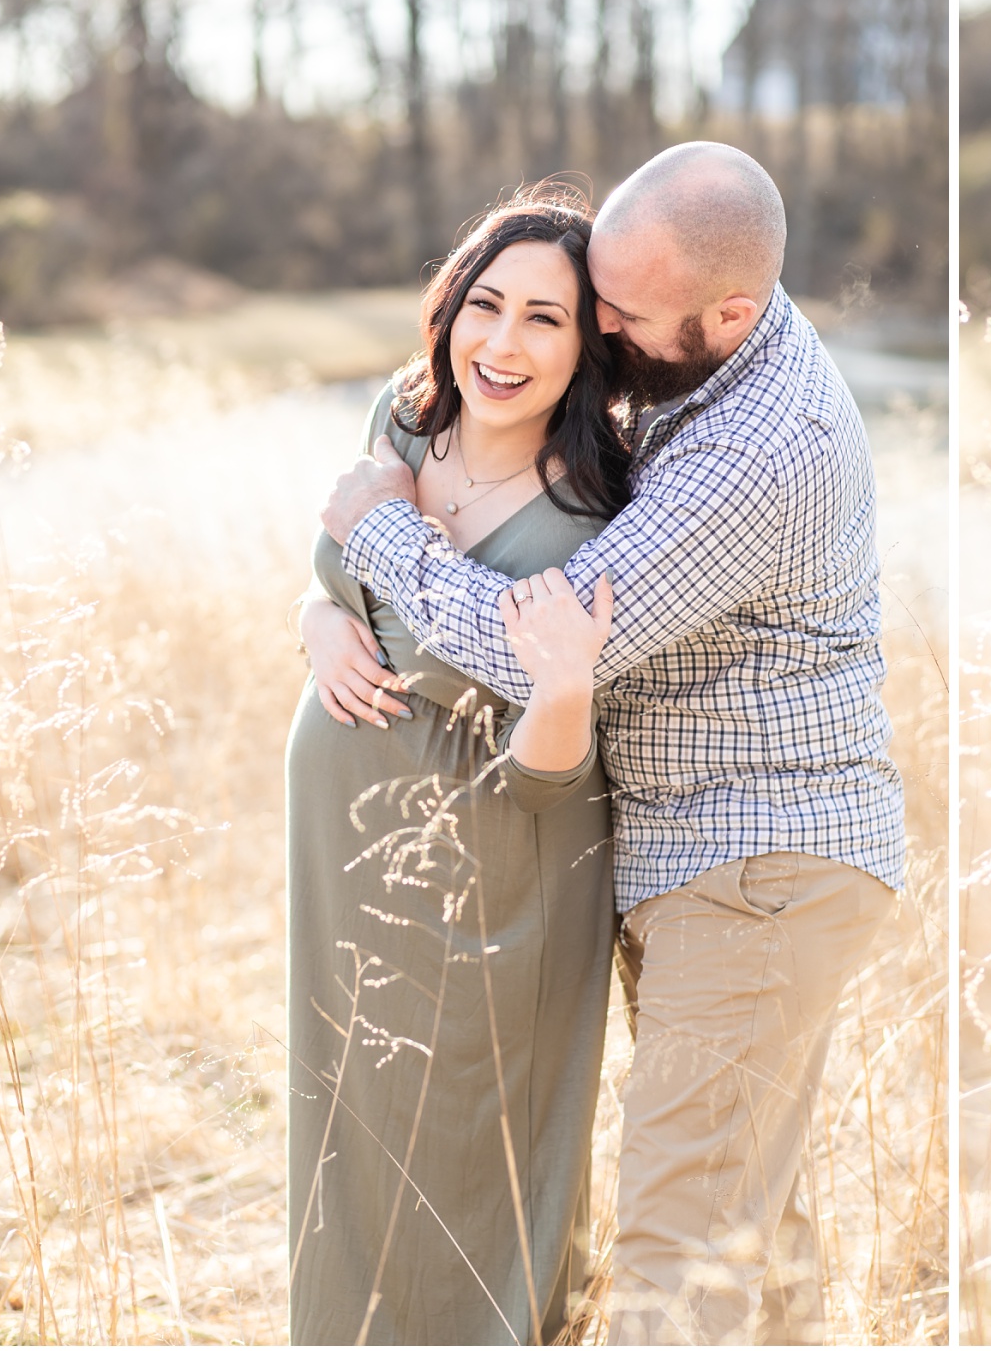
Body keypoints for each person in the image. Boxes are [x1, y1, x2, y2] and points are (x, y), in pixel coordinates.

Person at [319, 141, 906, 1346]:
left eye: (617, 318)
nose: (599, 337)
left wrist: (376, 539)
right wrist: (319, 607)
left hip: (757, 862)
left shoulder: (757, 451)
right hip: (714, 858)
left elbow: (539, 644)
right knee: (752, 1229)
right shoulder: (707, 344)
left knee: (673, 1253)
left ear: (728, 311)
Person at [287, 189, 631, 1345]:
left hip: (494, 873)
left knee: (474, 1138)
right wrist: (314, 619)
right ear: (450, 308)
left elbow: (546, 774)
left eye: (545, 319)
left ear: (588, 344)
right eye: (485, 304)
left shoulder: (590, 513)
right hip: (346, 859)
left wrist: (567, 692)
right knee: (350, 1122)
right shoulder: (403, 415)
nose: (503, 343)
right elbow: (343, 571)